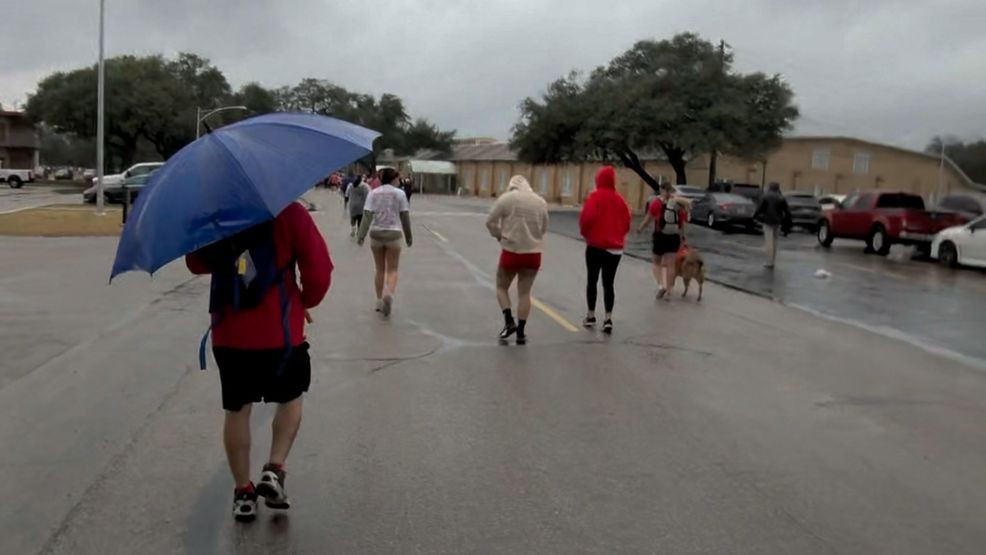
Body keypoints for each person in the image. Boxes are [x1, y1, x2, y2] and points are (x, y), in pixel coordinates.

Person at [185, 201, 332, 523]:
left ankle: (243, 492)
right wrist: (303, 301)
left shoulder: (217, 214)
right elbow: (319, 273)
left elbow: (195, 262)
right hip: (281, 331)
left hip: (230, 331)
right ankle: (275, 468)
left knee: (237, 409)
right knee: (291, 398)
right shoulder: (290, 213)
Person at [486, 175, 549, 345]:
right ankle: (521, 332)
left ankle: (509, 320)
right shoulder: (540, 202)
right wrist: (534, 238)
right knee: (525, 293)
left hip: (512, 250)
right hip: (533, 254)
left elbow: (490, 221)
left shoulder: (507, 199)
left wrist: (499, 235)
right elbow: (544, 227)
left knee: (501, 286)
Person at [579, 166, 631, 334]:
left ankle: (591, 315)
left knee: (592, 280)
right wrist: (618, 235)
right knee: (609, 283)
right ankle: (608, 318)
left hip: (595, 245)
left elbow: (586, 219)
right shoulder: (620, 200)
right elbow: (627, 222)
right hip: (614, 249)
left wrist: (586, 234)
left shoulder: (595, 197)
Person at [357, 167, 412, 316]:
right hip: (393, 234)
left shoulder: (373, 193)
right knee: (392, 269)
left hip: (376, 234)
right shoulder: (400, 194)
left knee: (379, 269)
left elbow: (367, 215)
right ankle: (389, 293)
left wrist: (361, 235)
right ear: (394, 179)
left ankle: (379, 300)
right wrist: (408, 237)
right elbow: (405, 217)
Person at [638, 182, 688, 301]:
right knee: (670, 264)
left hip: (660, 235)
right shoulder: (678, 205)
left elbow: (648, 218)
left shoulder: (656, 203)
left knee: (656, 262)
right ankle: (670, 291)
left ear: (662, 190)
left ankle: (661, 285)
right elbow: (682, 224)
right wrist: (683, 238)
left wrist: (640, 228)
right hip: (673, 237)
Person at [754, 182, 792, 269]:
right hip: (777, 222)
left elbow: (759, 208)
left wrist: (755, 216)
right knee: (775, 242)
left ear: (770, 187)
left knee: (769, 242)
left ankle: (769, 262)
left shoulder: (766, 196)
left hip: (767, 221)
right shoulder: (781, 197)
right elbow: (787, 211)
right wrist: (787, 223)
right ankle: (773, 261)